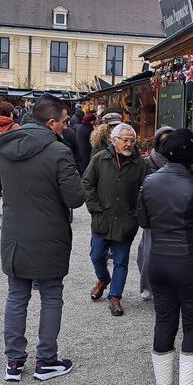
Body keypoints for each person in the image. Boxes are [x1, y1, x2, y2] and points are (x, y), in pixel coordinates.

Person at [0, 94, 85, 382]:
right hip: (49, 233)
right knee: (51, 295)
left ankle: (14, 362)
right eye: (65, 122)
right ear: (51, 122)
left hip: (15, 234)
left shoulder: (3, 146)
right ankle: (46, 361)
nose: (66, 127)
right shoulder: (59, 152)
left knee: (16, 297)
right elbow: (75, 197)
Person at [136, 128, 193, 385]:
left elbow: (143, 219)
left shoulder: (148, 182)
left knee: (164, 319)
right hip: (191, 261)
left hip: (158, 261)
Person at [82, 122, 147, 317]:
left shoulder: (140, 164)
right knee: (96, 256)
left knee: (121, 261)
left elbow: (146, 191)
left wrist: (136, 215)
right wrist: (94, 208)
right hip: (103, 218)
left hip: (126, 221)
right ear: (113, 140)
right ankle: (103, 279)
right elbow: (87, 183)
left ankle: (115, 297)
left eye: (132, 141)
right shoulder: (100, 159)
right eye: (125, 140)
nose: (129, 144)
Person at [137, 126, 175, 300]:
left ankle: (169, 287)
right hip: (153, 213)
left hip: (174, 211)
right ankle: (148, 288)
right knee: (148, 251)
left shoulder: (179, 161)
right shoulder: (147, 162)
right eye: (163, 140)